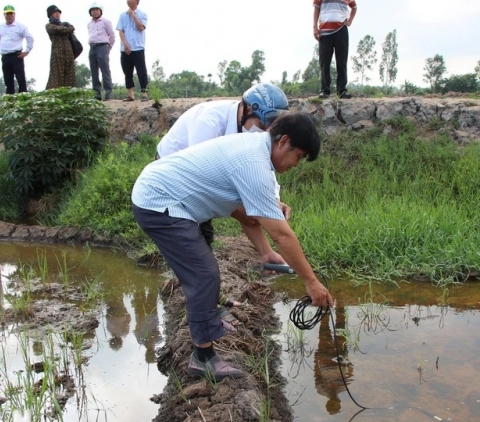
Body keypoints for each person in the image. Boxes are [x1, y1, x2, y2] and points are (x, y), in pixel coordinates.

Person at [131, 112, 334, 380]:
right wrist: (311, 282)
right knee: (203, 273)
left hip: (172, 197)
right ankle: (202, 357)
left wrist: (265, 253)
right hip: (159, 201)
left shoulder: (255, 151)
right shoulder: (253, 163)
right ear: (284, 142)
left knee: (201, 268)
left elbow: (245, 215)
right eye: (299, 156)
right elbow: (282, 235)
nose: (297, 164)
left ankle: (209, 311)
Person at [156, 83, 292, 249]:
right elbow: (201, 179)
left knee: (203, 236)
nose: (264, 133)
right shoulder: (210, 121)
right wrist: (240, 210)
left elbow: (263, 166)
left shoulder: (253, 132)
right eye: (263, 126)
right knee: (184, 229)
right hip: (171, 174)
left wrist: (273, 200)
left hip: (200, 175)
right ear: (249, 110)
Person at [313, 0, 357, 99]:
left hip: (341, 30)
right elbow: (316, 8)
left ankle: (341, 90)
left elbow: (354, 7)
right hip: (324, 31)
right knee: (324, 61)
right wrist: (314, 27)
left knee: (342, 61)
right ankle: (325, 90)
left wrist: (350, 21)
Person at [0, 5, 34, 94]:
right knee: (8, 80)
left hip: (17, 56)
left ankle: (23, 98)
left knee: (20, 78)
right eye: (7, 14)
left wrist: (27, 51)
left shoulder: (20, 26)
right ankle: (10, 100)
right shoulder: (1, 26)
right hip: (5, 56)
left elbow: (30, 38)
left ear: (14, 14)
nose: (9, 16)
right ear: (4, 15)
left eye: (11, 14)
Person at [116, 0, 148, 102]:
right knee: (127, 72)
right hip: (125, 48)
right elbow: (120, 31)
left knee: (141, 71)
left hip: (138, 47)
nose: (129, 1)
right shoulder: (122, 15)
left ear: (137, 1)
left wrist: (133, 15)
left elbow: (141, 27)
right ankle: (130, 95)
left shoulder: (143, 14)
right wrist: (125, 44)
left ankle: (144, 94)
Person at [87, 3, 115, 100]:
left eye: (97, 10)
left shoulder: (105, 22)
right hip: (92, 47)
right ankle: (97, 94)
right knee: (94, 71)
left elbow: (112, 36)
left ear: (100, 11)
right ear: (90, 12)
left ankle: (108, 93)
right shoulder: (89, 24)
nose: (95, 11)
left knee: (105, 71)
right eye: (93, 10)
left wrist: (108, 47)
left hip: (103, 46)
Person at [45, 5, 76, 89]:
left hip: (69, 52)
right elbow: (57, 30)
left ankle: (70, 96)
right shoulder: (48, 26)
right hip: (57, 53)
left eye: (58, 12)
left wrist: (68, 28)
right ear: (50, 15)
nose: (57, 14)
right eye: (55, 13)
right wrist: (67, 29)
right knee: (56, 76)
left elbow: (72, 27)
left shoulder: (65, 24)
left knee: (70, 75)